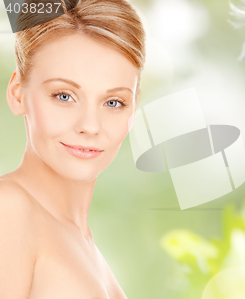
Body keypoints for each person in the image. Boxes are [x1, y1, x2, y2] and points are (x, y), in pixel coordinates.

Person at [0, 0, 146, 297]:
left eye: (113, 102)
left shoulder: (84, 242)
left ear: (133, 108)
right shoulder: (9, 209)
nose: (90, 126)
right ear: (18, 94)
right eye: (64, 96)